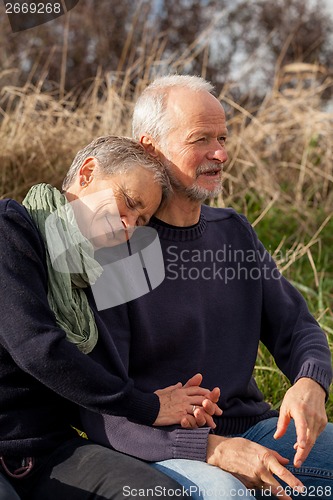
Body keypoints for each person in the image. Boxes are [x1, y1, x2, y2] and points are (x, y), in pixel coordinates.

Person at [80, 77, 333, 500]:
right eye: (201, 139)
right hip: (159, 450)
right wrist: (212, 451)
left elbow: (298, 329)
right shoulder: (115, 246)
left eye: (222, 138)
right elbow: (101, 413)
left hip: (257, 432)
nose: (221, 153)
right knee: (225, 493)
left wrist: (310, 383)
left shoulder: (234, 232)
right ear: (149, 148)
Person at [0, 134, 224, 500]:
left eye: (140, 219)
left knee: (160, 495)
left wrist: (177, 407)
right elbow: (38, 348)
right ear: (87, 173)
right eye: (128, 203)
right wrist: (147, 406)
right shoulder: (10, 229)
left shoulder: (89, 276)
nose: (128, 226)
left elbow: (90, 385)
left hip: (48, 450)